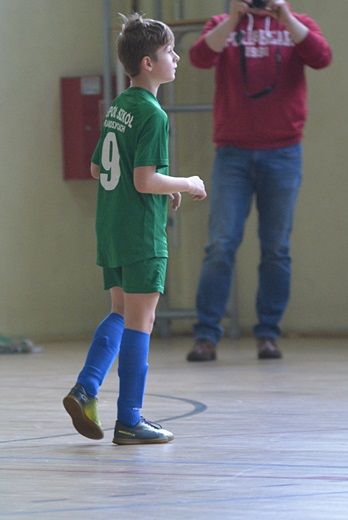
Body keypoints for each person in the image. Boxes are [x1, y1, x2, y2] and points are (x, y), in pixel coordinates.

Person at [62, 14, 207, 445]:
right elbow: (145, 180)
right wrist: (187, 183)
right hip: (141, 233)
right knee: (141, 321)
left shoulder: (119, 106)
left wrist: (160, 190)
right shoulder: (153, 114)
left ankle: (86, 388)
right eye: (168, 52)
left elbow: (97, 166)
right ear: (147, 63)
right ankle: (129, 419)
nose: (176, 57)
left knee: (121, 312)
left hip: (110, 226)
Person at [187, 1, 331, 362]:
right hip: (232, 153)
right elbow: (200, 57)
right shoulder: (223, 22)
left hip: (283, 152)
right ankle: (206, 335)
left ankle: (268, 334)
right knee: (220, 244)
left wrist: (284, 16)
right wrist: (236, 18)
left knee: (276, 248)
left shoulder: (297, 24)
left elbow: (321, 56)